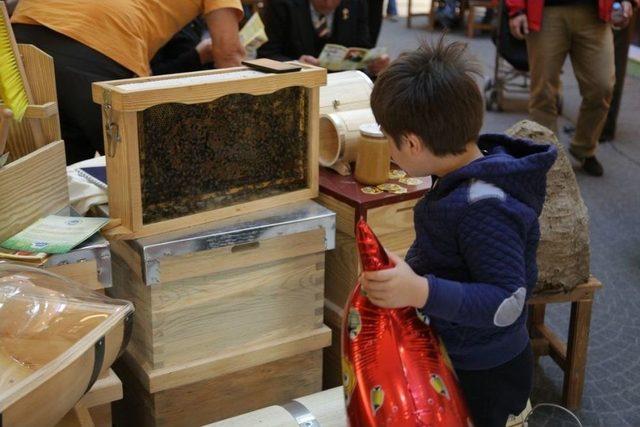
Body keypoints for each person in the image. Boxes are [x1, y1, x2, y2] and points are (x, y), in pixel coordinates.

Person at [361, 40, 557, 427]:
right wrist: (410, 271)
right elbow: (449, 248)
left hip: (487, 372)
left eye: (388, 138)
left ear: (413, 143)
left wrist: (421, 291)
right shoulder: (457, 175)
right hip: (459, 348)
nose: (389, 149)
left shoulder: (484, 206)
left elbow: (506, 301)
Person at [10, 1, 245, 164]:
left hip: (20, 38)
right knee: (142, 174)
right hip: (99, 42)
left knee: (53, 178)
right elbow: (228, 54)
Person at [507, 0, 633, 176]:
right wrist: (516, 9)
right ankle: (546, 154)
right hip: (546, 12)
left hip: (594, 13)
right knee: (543, 91)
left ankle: (584, 147)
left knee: (602, 86)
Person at [257, 0, 389, 77]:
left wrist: (373, 63)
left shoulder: (356, 3)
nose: (328, 3)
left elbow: (363, 47)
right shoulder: (281, 4)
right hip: (297, 85)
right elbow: (266, 55)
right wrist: (295, 64)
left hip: (342, 83)